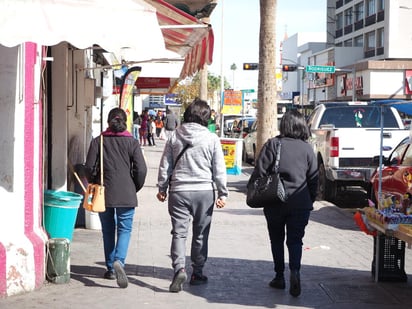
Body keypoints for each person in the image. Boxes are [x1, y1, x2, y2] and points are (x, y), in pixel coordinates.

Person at [156, 98, 228, 293]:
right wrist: (223, 192)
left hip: (179, 191)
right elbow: (219, 168)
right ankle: (197, 272)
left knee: (179, 233)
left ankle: (179, 268)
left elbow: (166, 165)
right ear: (206, 117)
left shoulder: (175, 136)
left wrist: (162, 188)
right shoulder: (211, 138)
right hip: (204, 191)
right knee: (201, 233)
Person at [247, 110, 318, 297]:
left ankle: (279, 276)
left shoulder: (273, 144)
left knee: (276, 239)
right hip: (300, 203)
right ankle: (295, 271)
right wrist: (309, 201)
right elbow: (313, 180)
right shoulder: (308, 149)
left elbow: (260, 172)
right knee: (295, 240)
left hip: (274, 201)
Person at [85, 107, 147, 289]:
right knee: (125, 229)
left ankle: (111, 268)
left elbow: (89, 167)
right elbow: (141, 170)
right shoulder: (133, 143)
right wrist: (134, 186)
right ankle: (120, 260)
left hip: (104, 193)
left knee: (108, 230)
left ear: (108, 122)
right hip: (126, 192)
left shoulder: (98, 141)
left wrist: (95, 181)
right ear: (125, 122)